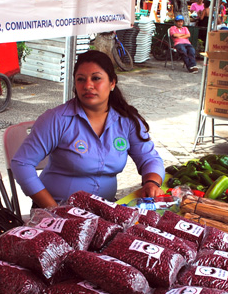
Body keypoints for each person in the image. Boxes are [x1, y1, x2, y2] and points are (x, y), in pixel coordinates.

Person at [10, 50, 165, 208]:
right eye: (81, 80)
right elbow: (21, 164)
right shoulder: (56, 119)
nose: (88, 86)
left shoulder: (126, 120)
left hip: (103, 210)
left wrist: (152, 183)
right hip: (58, 209)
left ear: (112, 83)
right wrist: (54, 210)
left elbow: (149, 158)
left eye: (96, 78)